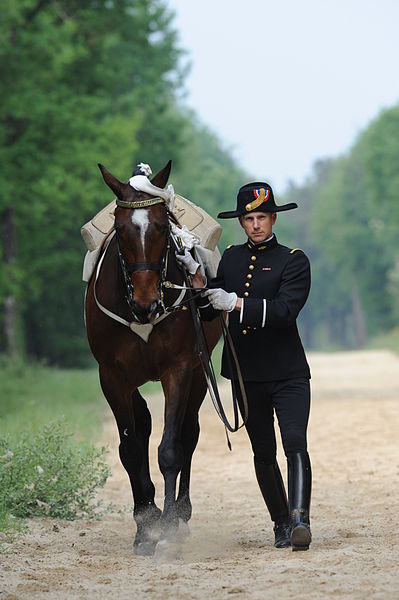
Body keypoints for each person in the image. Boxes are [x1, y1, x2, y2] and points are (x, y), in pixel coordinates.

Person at [178, 181, 312, 551]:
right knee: (263, 452)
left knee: (294, 442)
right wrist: (197, 277)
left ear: (273, 219)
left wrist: (235, 302)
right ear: (241, 222)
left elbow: (285, 312)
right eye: (249, 218)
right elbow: (208, 309)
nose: (256, 224)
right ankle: (281, 524)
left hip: (288, 372)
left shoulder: (294, 259)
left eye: (262, 217)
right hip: (246, 373)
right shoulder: (232, 259)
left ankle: (301, 519)